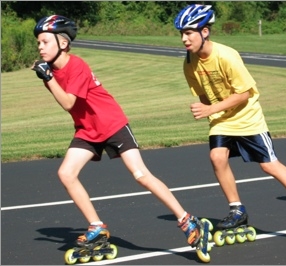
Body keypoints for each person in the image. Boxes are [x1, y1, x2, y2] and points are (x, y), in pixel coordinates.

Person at [31, 14, 204, 249]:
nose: (40, 47)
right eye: (38, 43)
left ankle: (187, 220)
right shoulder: (49, 71)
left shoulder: (77, 66)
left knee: (141, 175)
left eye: (45, 42)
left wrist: (48, 78)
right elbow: (69, 104)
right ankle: (97, 227)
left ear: (63, 43)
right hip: (87, 129)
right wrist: (49, 77)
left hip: (111, 124)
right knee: (66, 173)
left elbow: (69, 103)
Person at [173, 4, 286, 236]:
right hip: (222, 119)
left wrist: (211, 109)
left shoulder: (226, 56)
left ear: (204, 31)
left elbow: (244, 93)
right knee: (217, 157)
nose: (184, 39)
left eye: (188, 33)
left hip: (247, 117)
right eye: (181, 34)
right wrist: (212, 111)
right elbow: (203, 92)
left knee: (269, 165)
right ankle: (237, 211)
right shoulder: (189, 62)